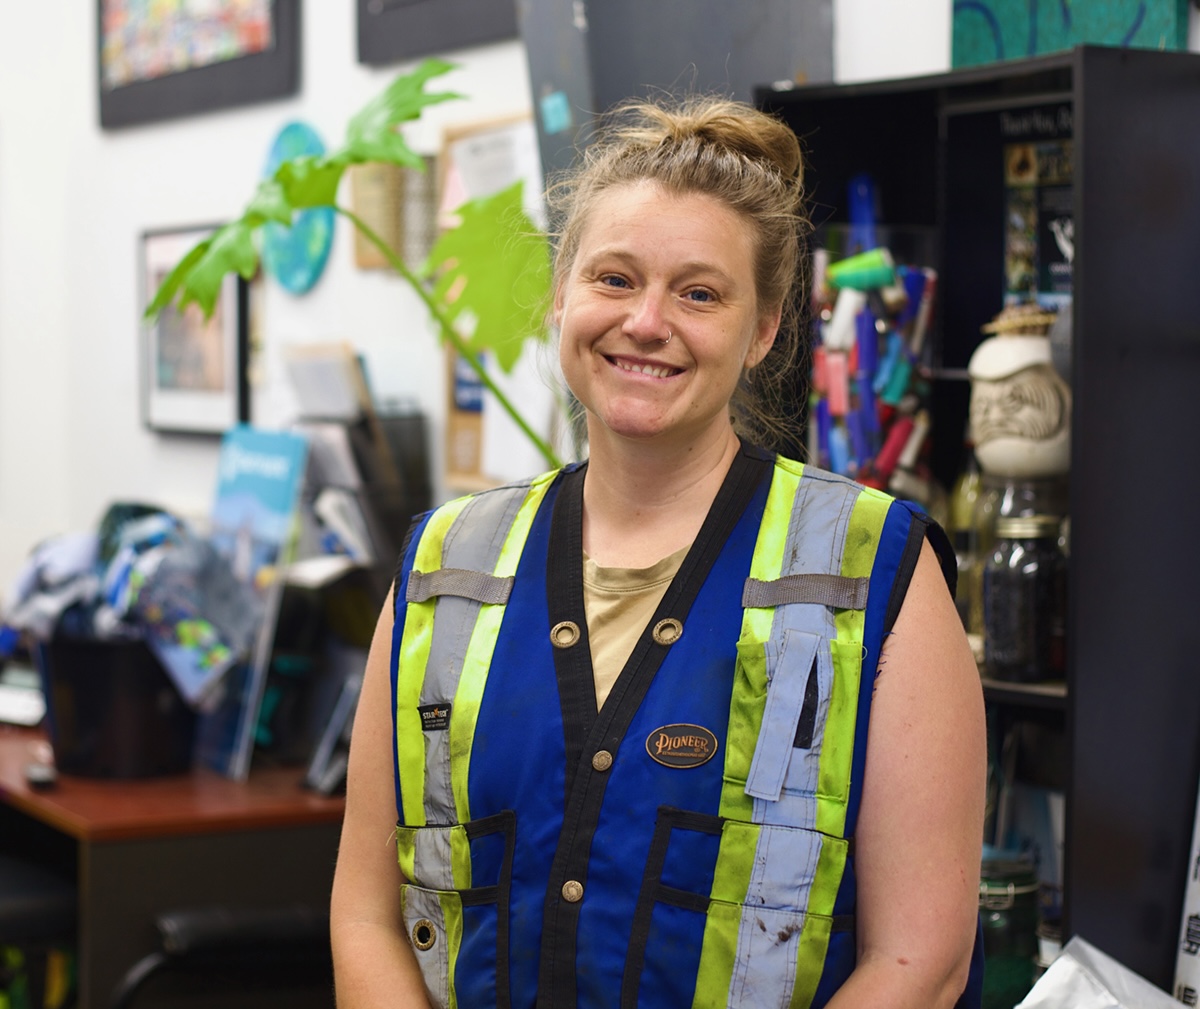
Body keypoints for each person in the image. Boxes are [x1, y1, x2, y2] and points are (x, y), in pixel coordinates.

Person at [330, 95, 986, 1009]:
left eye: (700, 292)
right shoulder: (447, 565)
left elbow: (921, 962)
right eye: (613, 278)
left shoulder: (872, 570)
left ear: (764, 331)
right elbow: (365, 915)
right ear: (561, 293)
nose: (646, 321)